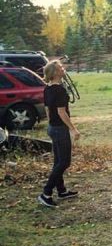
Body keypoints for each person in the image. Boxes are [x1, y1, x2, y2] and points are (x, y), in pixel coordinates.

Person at [38, 60, 80, 208]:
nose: (64, 69)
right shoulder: (59, 90)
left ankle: (61, 191)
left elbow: (48, 110)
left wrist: (51, 125)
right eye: (61, 67)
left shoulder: (48, 89)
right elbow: (61, 112)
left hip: (53, 128)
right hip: (60, 129)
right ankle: (46, 193)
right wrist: (73, 129)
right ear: (55, 72)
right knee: (64, 162)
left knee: (58, 162)